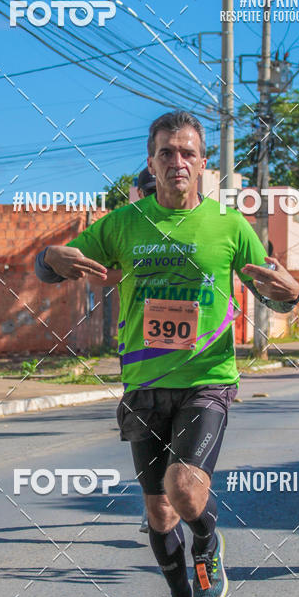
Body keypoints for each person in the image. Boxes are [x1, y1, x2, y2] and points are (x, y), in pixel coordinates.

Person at [35, 110, 299, 597]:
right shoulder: (125, 223)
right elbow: (57, 267)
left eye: (186, 152)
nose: (176, 161)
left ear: (203, 163)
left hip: (207, 377)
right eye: (165, 152)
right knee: (157, 509)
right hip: (143, 384)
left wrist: (290, 292)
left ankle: (206, 538)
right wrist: (48, 258)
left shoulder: (229, 226)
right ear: (151, 161)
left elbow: (281, 289)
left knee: (183, 489)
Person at [135, 166, 156, 534]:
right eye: (148, 191)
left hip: (191, 366)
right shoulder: (130, 227)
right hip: (140, 365)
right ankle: (151, 503)